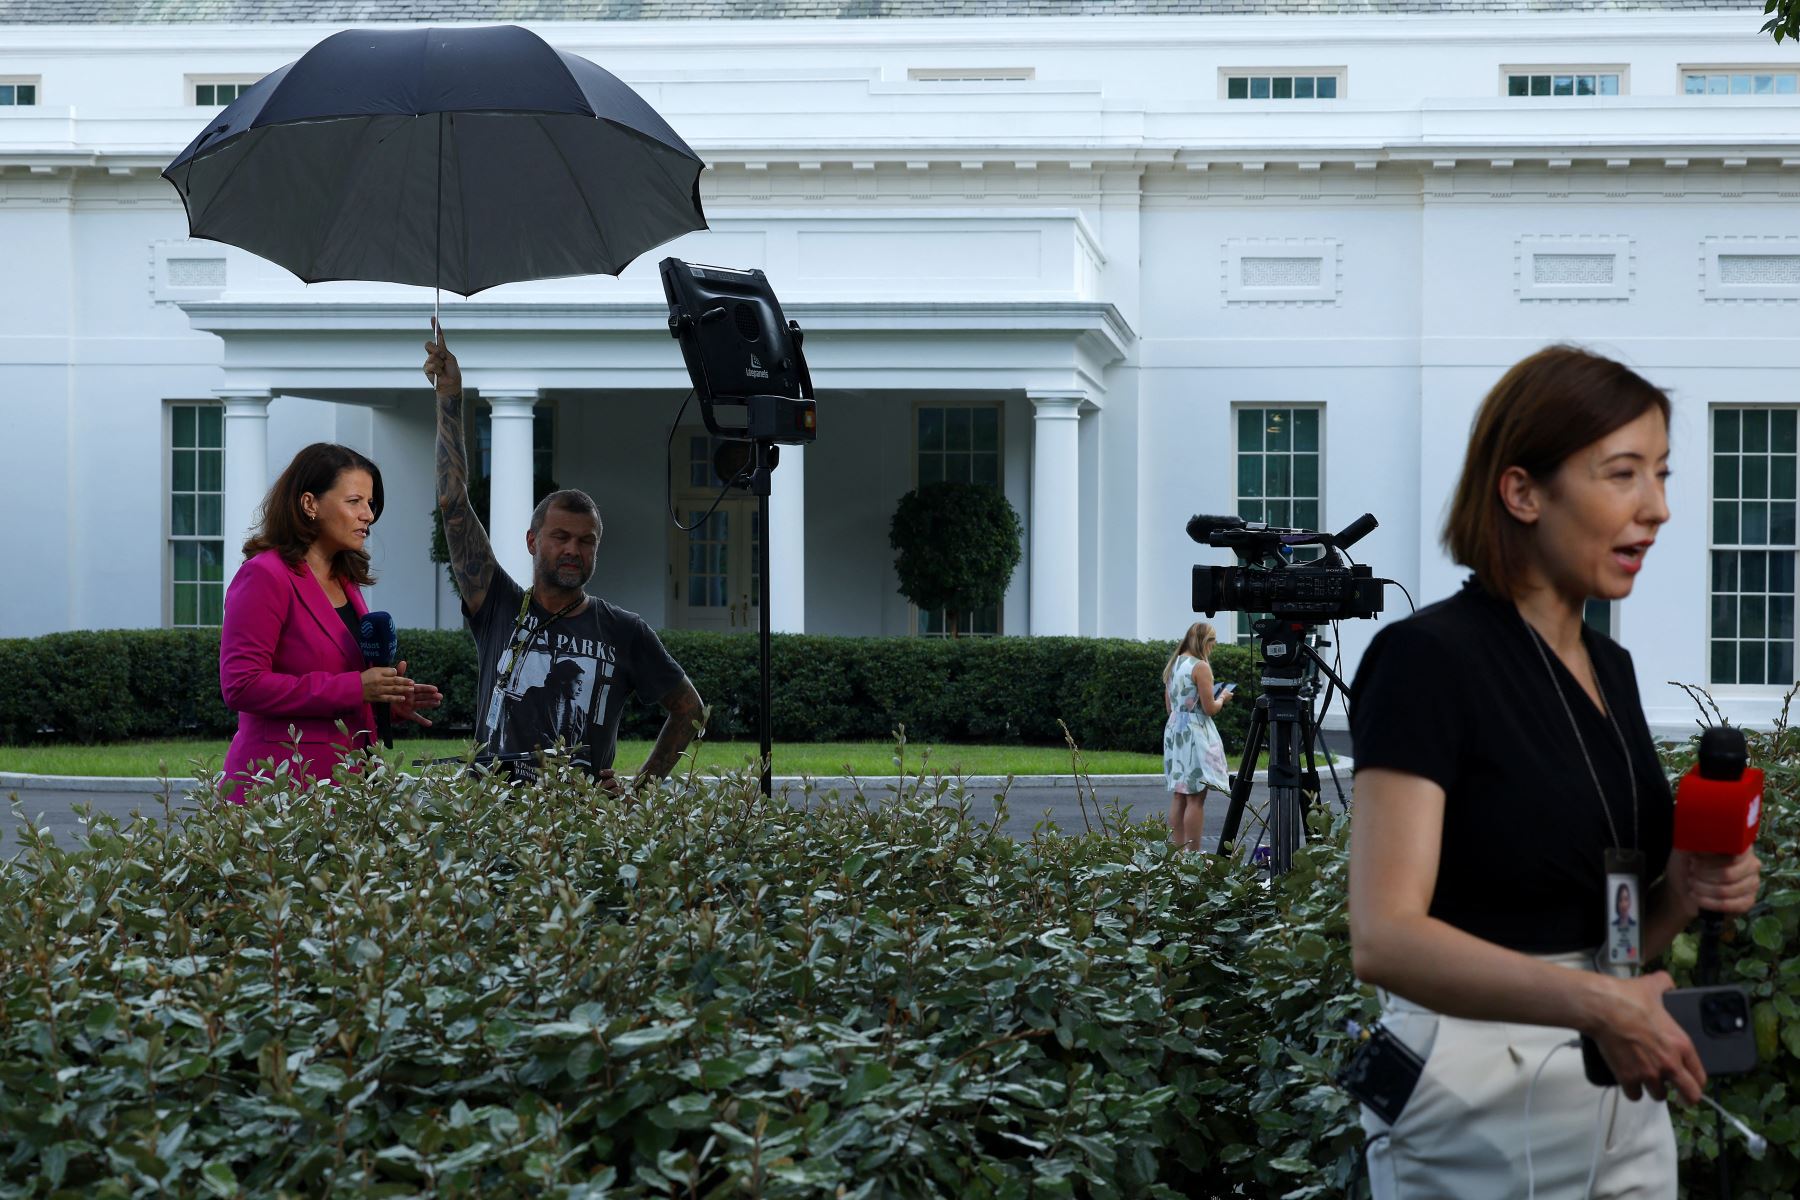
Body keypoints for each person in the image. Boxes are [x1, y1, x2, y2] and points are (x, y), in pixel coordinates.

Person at [1347, 346, 1762, 1197]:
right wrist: (1600, 1007)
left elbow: (1604, 948)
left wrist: (1680, 892)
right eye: (1623, 474)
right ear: (1523, 491)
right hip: (1471, 1106)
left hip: (1616, 1089)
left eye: (1662, 474)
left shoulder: (1612, 669)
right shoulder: (1426, 660)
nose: (1658, 508)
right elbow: (1384, 937)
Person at [424, 322, 704, 791]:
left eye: (586, 540)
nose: (573, 549)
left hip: (581, 829)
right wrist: (449, 397)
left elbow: (689, 710)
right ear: (533, 542)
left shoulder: (623, 630)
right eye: (560, 536)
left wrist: (641, 791)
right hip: (495, 820)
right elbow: (454, 503)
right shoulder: (497, 605)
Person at [219, 443, 441, 803]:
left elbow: (338, 681)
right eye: (354, 502)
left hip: (348, 786)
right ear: (310, 504)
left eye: (370, 504)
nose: (367, 514)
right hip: (280, 791)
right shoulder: (264, 575)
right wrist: (356, 688)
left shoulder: (343, 579)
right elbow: (241, 686)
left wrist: (382, 700)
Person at [1163, 621, 1232, 851]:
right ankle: (1193, 855)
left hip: (1175, 731)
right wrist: (1222, 697)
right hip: (1194, 735)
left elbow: (1170, 706)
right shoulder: (1200, 667)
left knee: (1179, 795)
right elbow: (1210, 708)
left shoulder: (1174, 663)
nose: (1213, 647)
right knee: (1195, 797)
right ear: (1205, 642)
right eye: (1213, 642)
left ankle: (1178, 853)